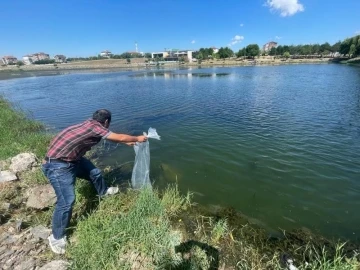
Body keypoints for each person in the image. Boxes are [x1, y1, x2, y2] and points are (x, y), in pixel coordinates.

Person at [42, 109, 147, 254]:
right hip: (58, 166)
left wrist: (126, 143)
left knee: (95, 173)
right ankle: (56, 237)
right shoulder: (96, 127)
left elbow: (111, 137)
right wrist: (136, 138)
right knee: (67, 201)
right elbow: (118, 137)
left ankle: (103, 192)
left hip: (72, 160)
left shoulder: (89, 124)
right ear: (106, 122)